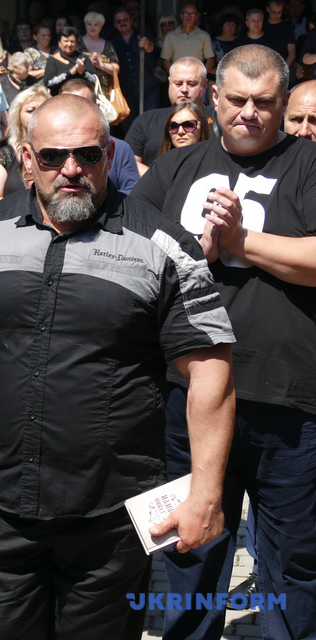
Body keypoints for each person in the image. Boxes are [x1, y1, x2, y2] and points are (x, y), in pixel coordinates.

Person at [0, 92, 236, 640]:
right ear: (27, 158)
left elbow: (212, 372)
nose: (71, 169)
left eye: (88, 155)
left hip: (110, 520)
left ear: (110, 154)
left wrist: (207, 494)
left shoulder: (165, 246)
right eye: (53, 156)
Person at [132, 43, 316, 640]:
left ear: (283, 102)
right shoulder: (175, 168)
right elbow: (129, 262)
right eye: (236, 99)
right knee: (191, 551)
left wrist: (241, 243)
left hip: (288, 400)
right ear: (214, 98)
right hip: (186, 396)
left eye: (264, 102)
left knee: (295, 560)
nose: (249, 113)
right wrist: (195, 255)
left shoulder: (309, 163)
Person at [124, 57, 216, 173]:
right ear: (169, 83)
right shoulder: (146, 120)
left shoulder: (219, 119)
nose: (184, 89)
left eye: (191, 84)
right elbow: (128, 162)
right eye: (178, 83)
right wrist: (158, 179)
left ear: (205, 85)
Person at [0, 83, 49, 200]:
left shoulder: (62, 151)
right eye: (31, 110)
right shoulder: (4, 156)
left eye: (42, 110)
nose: (37, 115)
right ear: (18, 115)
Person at [161, 4, 215, 73]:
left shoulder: (204, 36)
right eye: (186, 13)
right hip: (178, 76)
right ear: (181, 16)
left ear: (196, 17)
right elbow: (165, 60)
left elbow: (210, 60)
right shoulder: (170, 36)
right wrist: (174, 75)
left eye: (192, 14)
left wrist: (201, 76)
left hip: (196, 77)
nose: (189, 16)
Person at [44, 26, 97, 95]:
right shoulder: (53, 59)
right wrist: (70, 72)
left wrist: (83, 72)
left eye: (72, 41)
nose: (69, 44)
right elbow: (48, 83)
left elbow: (95, 81)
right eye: (66, 41)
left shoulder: (83, 58)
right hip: (59, 98)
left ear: (76, 43)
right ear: (59, 43)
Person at [79, 11, 119, 96]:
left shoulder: (108, 45)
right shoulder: (77, 43)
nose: (92, 27)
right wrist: (87, 63)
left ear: (101, 27)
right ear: (85, 25)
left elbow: (116, 69)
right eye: (89, 24)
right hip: (82, 89)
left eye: (96, 25)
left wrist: (100, 65)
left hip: (104, 92)